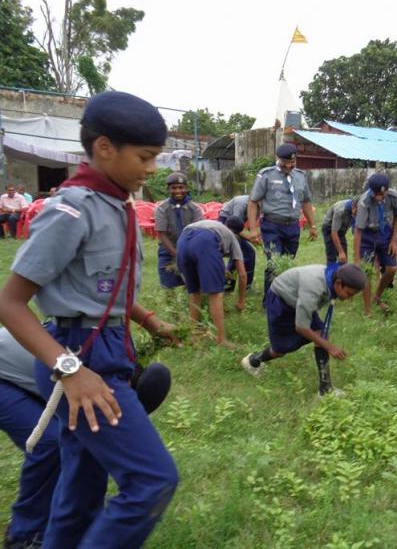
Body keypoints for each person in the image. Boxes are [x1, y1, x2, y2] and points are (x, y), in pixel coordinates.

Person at [0, 90, 179, 549]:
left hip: (110, 348)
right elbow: (10, 303)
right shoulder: (71, 209)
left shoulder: (116, 205)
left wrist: (147, 320)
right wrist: (70, 371)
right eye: (145, 157)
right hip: (76, 357)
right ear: (104, 148)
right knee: (152, 480)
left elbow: (103, 291)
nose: (152, 170)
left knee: (80, 491)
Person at [0, 328, 172, 549]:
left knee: (73, 441)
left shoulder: (116, 363)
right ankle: (25, 535)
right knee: (49, 443)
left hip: (22, 372)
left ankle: (63, 528)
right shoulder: (92, 372)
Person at [240, 263, 367, 396]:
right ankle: (253, 361)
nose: (350, 298)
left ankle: (325, 389)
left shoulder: (331, 277)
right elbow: (301, 327)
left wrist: (324, 343)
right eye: (349, 294)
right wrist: (329, 347)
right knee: (280, 350)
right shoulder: (314, 288)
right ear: (339, 283)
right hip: (281, 302)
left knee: (321, 334)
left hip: (298, 302)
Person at [247, 143, 317, 306]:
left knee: (287, 264)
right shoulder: (266, 175)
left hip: (293, 227)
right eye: (284, 162)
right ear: (277, 159)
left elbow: (306, 201)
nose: (288, 165)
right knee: (274, 263)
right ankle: (269, 302)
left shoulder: (300, 176)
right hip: (272, 226)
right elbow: (253, 202)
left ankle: (283, 297)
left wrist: (312, 226)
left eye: (292, 162)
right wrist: (253, 229)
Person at [176, 217, 248, 347]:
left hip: (182, 240)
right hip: (205, 241)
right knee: (215, 294)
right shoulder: (233, 238)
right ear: (238, 234)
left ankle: (193, 334)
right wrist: (241, 301)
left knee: (194, 292)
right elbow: (242, 274)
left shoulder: (214, 225)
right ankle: (221, 339)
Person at [353, 173, 397, 315]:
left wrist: (393, 240)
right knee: (366, 272)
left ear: (386, 190)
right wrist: (356, 259)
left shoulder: (395, 197)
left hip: (385, 234)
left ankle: (377, 297)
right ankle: (368, 310)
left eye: (381, 194)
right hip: (367, 236)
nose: (378, 197)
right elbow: (358, 230)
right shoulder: (364, 202)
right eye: (375, 194)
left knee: (392, 269)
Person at [153, 172, 203, 289]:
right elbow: (162, 234)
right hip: (168, 250)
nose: (178, 191)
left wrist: (186, 254)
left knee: (193, 284)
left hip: (190, 250)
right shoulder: (162, 209)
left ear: (186, 188)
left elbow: (197, 233)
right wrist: (176, 254)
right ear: (168, 189)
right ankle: (170, 305)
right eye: (173, 188)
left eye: (181, 187)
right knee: (167, 284)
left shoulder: (195, 209)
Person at [219, 195, 256, 292]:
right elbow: (234, 225)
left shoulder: (258, 206)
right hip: (227, 222)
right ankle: (227, 286)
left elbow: (250, 225)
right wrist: (249, 237)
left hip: (236, 225)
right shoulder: (241, 203)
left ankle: (247, 287)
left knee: (249, 253)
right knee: (236, 253)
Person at [321, 198, 357, 265]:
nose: (357, 214)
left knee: (344, 259)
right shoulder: (340, 210)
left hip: (341, 231)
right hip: (329, 228)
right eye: (356, 211)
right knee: (332, 257)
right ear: (353, 206)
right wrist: (340, 252)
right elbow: (334, 233)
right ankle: (331, 274)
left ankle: (342, 274)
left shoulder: (357, 211)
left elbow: (356, 232)